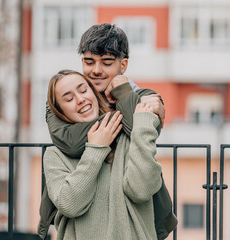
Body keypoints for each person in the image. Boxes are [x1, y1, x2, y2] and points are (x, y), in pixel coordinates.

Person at [38, 23, 177, 240]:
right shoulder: (62, 103)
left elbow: (141, 185)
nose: (96, 70)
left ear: (123, 65)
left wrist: (124, 90)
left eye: (107, 63)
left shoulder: (145, 96)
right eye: (89, 62)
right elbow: (69, 142)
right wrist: (101, 141)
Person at [43, 69, 162, 240]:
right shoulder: (55, 155)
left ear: (93, 92)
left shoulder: (127, 135)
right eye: (69, 99)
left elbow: (141, 191)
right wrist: (96, 149)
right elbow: (70, 205)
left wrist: (142, 128)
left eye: (83, 90)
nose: (80, 99)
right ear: (60, 111)